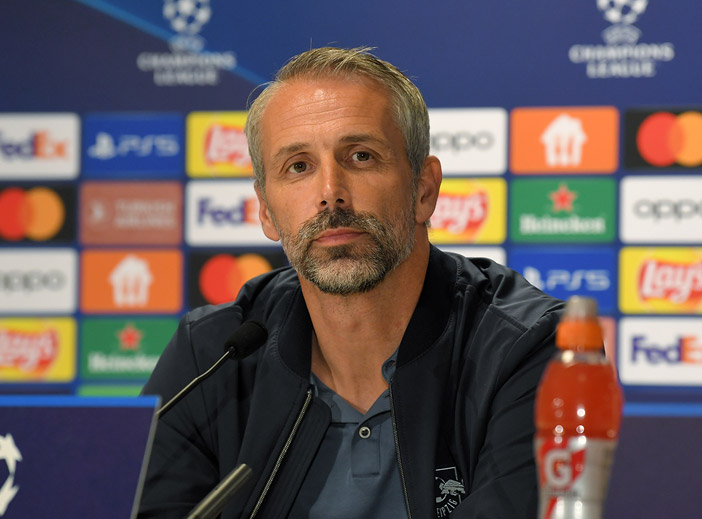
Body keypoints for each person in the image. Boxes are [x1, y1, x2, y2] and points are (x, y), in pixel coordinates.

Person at [138, 47, 563, 519]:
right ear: (266, 210)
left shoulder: (525, 347)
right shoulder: (211, 357)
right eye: (298, 166)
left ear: (424, 190)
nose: (330, 193)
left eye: (361, 156)